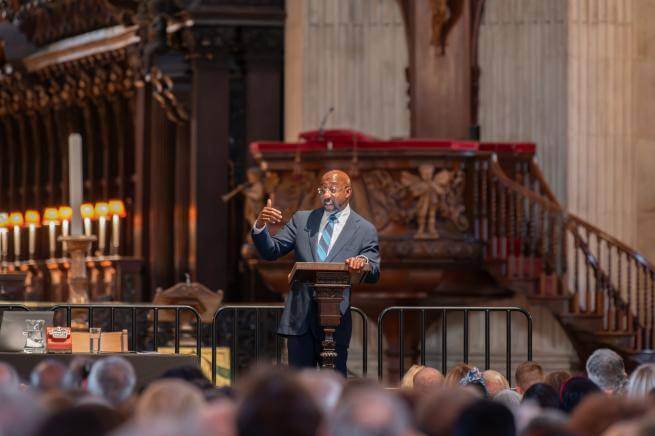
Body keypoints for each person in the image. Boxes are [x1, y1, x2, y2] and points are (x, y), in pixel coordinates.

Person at [252, 169, 380, 376]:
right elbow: (271, 251)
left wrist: (362, 261)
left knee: (334, 382)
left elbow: (373, 266)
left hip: (335, 317)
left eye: (332, 189)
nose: (326, 195)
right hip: (300, 317)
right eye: (322, 190)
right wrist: (260, 226)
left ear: (347, 192)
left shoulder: (364, 229)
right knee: (300, 389)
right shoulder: (302, 220)